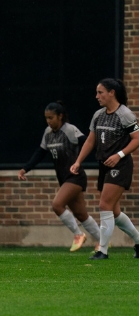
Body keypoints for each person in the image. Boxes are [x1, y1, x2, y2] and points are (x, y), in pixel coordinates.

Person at [71, 78, 139, 260]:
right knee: (114, 212)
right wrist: (78, 161)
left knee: (104, 205)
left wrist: (120, 155)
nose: (97, 96)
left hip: (121, 165)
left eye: (100, 92)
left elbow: (137, 139)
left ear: (112, 93)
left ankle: (102, 250)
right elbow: (91, 140)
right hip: (104, 166)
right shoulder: (98, 115)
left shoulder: (125, 114)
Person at [18, 101, 100, 251]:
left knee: (57, 205)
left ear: (60, 116)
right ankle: (103, 240)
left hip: (75, 176)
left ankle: (78, 234)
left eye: (51, 118)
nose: (48, 121)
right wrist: (25, 168)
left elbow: (88, 142)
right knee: (81, 215)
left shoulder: (70, 130)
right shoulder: (47, 133)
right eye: (46, 118)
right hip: (64, 178)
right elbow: (40, 153)